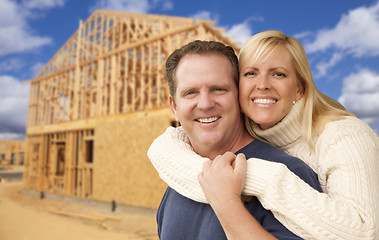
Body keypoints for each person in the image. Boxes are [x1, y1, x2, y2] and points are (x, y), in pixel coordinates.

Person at [148, 31, 379, 240]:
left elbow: (364, 232)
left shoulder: (334, 144)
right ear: (174, 107)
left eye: (219, 89)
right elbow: (166, 146)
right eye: (190, 92)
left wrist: (241, 190)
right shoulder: (180, 175)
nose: (206, 103)